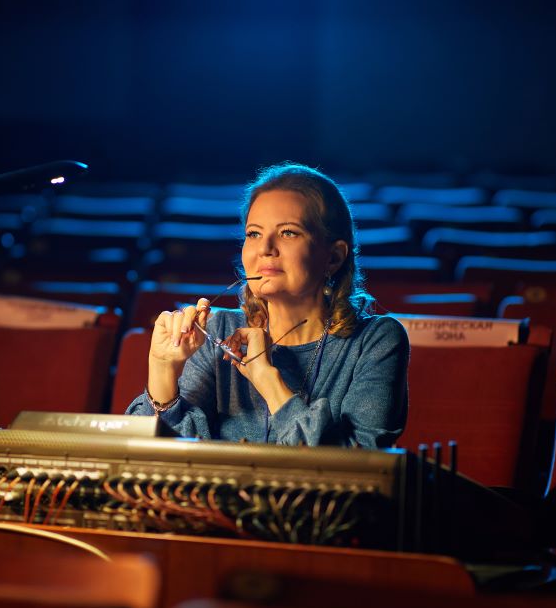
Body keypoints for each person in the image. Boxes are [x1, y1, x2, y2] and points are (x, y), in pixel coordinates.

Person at [126, 162, 409, 449]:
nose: (265, 248)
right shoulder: (218, 329)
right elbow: (161, 458)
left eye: (288, 232)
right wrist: (162, 370)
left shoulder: (376, 340)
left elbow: (359, 462)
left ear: (334, 257)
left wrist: (267, 379)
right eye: (254, 234)